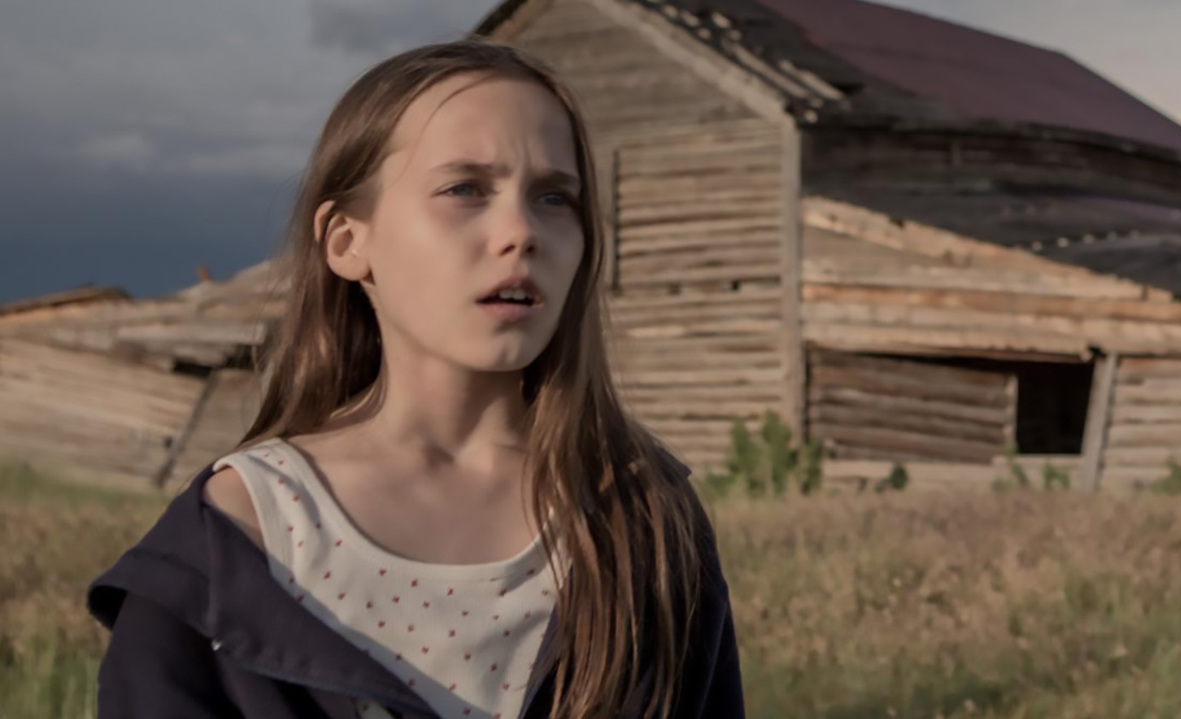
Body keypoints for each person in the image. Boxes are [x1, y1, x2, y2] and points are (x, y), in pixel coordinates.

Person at [87, 40, 744, 719]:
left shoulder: (637, 520)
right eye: (465, 189)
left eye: (554, 197)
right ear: (348, 241)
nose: (521, 231)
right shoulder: (237, 536)